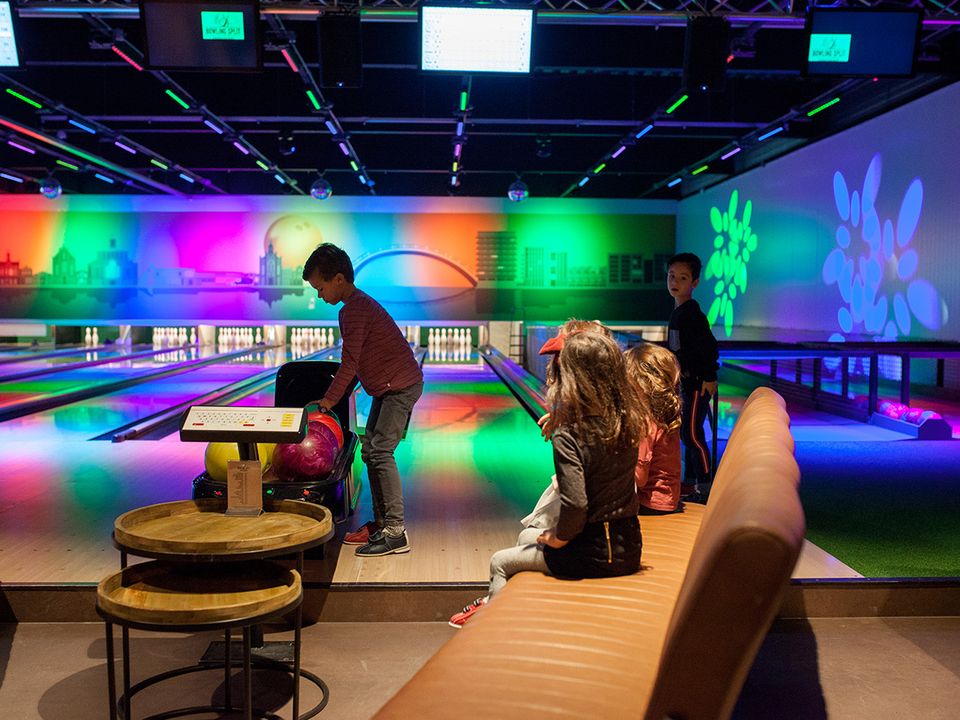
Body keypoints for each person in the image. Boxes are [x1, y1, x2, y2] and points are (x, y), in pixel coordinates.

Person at [449, 331, 645, 628]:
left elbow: (576, 504)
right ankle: (523, 605)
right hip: (628, 546)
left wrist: (558, 537)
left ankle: (495, 633)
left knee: (500, 562)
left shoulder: (569, 436)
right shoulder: (627, 422)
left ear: (569, 380)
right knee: (528, 536)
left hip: (591, 555)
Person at [303, 243, 424, 557]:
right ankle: (383, 524)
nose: (319, 295)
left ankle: (396, 532)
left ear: (339, 279)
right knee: (371, 451)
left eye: (321, 287)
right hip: (389, 387)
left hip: (400, 386)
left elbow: (350, 363)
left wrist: (329, 400)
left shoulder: (355, 308)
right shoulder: (354, 305)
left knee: (380, 451)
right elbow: (358, 365)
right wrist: (335, 397)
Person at [666, 252, 719, 502]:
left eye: (683, 278)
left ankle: (705, 483)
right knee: (687, 432)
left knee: (692, 434)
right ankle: (690, 481)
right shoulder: (678, 311)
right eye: (672, 276)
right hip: (685, 382)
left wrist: (709, 375)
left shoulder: (692, 314)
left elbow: (709, 347)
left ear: (695, 282)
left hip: (697, 382)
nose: (675, 281)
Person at [624, 343, 682, 514]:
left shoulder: (645, 421)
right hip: (666, 498)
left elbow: (639, 479)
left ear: (641, 384)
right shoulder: (661, 413)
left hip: (650, 503)